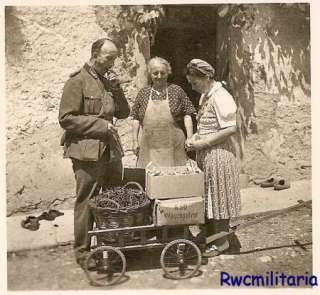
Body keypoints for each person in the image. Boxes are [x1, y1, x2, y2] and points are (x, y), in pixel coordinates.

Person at [58, 38, 130, 267]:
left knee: (111, 198)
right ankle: (83, 253)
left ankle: (111, 246)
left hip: (110, 151)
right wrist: (100, 126)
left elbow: (125, 113)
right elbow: (66, 118)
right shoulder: (77, 81)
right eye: (109, 58)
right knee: (86, 201)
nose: (112, 63)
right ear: (95, 54)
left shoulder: (107, 82)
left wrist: (117, 90)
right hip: (86, 152)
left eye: (114, 59)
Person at [185, 59, 241, 257]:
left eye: (194, 83)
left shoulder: (221, 96)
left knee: (219, 197)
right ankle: (213, 235)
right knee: (210, 196)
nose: (192, 87)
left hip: (219, 154)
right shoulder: (206, 96)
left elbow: (230, 128)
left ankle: (222, 242)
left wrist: (205, 143)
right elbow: (207, 125)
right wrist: (195, 138)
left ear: (207, 78)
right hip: (207, 153)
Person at [131, 57, 196, 168]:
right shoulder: (143, 92)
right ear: (150, 74)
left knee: (174, 177)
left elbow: (188, 114)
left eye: (163, 73)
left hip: (174, 145)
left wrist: (189, 138)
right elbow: (136, 118)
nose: (159, 76)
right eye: (155, 73)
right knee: (150, 178)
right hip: (149, 145)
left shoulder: (176, 90)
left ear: (168, 73)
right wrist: (135, 141)